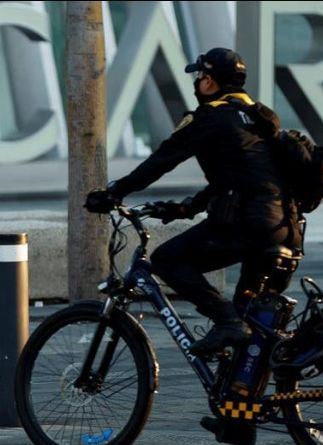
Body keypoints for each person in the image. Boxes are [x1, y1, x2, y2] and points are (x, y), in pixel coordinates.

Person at [87, 47, 302, 358]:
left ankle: (225, 319)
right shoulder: (261, 116)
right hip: (286, 227)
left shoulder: (208, 118)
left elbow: (161, 161)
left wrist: (114, 192)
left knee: (166, 260)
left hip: (250, 223)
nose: (198, 82)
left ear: (209, 81)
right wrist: (186, 208)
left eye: (200, 75)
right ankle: (243, 400)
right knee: (250, 323)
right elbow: (238, 176)